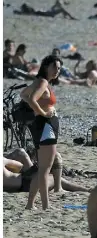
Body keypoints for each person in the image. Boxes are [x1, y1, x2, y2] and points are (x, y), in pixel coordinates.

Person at [20, 55, 62, 210]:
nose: (57, 71)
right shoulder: (43, 82)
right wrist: (43, 113)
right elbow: (31, 99)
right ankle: (45, 205)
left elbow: (23, 94)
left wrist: (39, 110)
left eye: (59, 68)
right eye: (54, 67)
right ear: (46, 67)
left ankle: (30, 204)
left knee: (42, 168)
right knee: (45, 169)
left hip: (42, 127)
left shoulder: (39, 81)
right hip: (46, 127)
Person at [3, 157, 88, 193]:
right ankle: (86, 190)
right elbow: (19, 166)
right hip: (25, 183)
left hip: (16, 186)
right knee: (56, 179)